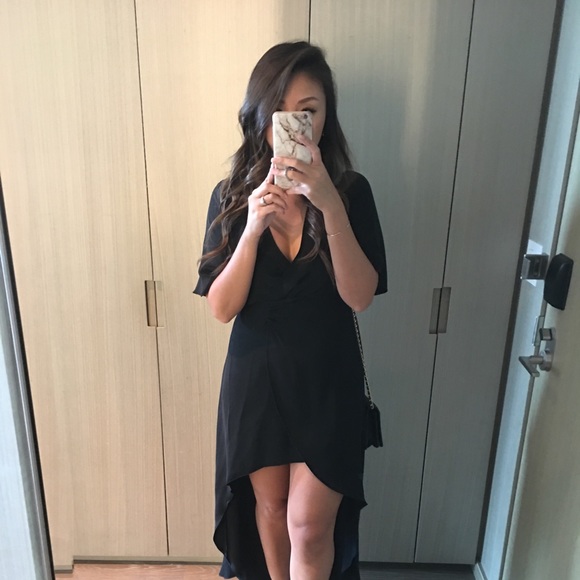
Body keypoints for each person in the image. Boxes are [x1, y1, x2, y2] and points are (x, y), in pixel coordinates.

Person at [194, 41, 387, 580]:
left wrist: (328, 204)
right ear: (260, 117)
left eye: (309, 110)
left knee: (308, 523)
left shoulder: (352, 193)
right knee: (272, 509)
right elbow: (221, 308)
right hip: (257, 380)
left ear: (326, 116)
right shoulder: (231, 196)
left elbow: (360, 295)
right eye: (282, 110)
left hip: (328, 381)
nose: (297, 123)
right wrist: (251, 230)